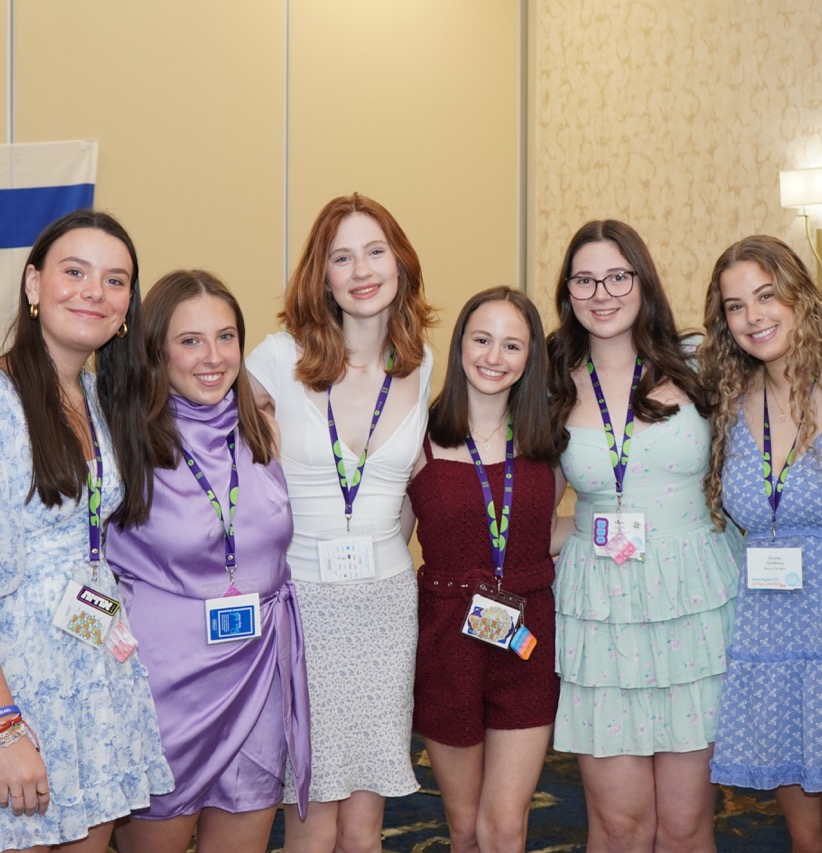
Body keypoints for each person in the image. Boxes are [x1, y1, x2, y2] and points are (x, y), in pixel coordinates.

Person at [0, 210, 173, 853]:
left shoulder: (99, 400)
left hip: (88, 678)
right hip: (3, 690)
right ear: (33, 284)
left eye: (115, 279)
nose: (94, 292)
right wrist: (2, 729)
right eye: (75, 272)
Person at [246, 193, 435, 853]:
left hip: (385, 603)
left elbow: (414, 494)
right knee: (312, 813)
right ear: (320, 275)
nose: (361, 269)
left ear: (400, 262)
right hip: (303, 605)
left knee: (365, 822)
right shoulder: (273, 360)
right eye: (341, 256)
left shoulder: (423, 364)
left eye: (375, 251)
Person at [546, 220, 742, 853]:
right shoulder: (549, 377)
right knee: (621, 826)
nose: (601, 292)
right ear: (567, 290)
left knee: (685, 827)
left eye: (617, 276)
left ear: (643, 280)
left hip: (693, 602)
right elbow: (528, 507)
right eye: (584, 278)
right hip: (601, 609)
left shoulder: (699, 360)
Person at [108, 271, 310, 853]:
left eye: (226, 337)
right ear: (155, 350)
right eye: (190, 340)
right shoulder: (123, 440)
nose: (213, 357)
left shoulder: (260, 428)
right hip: (166, 690)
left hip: (256, 673)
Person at [699, 236, 822, 853]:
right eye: (735, 306)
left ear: (801, 296)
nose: (754, 317)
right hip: (771, 643)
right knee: (806, 840)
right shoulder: (725, 401)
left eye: (767, 296)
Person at [408, 287, 563, 853]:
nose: (494, 356)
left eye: (512, 344)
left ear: (529, 358)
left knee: (504, 827)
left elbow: (548, 530)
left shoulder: (549, 443)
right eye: (482, 339)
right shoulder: (417, 441)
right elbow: (391, 545)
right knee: (466, 828)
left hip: (527, 640)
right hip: (447, 642)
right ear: (460, 345)